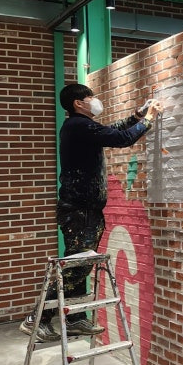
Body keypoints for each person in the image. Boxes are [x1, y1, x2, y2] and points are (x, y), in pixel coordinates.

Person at [20, 84, 162, 342]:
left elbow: (112, 131)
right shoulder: (77, 125)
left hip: (87, 210)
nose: (95, 101)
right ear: (78, 103)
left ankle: (75, 318)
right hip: (80, 211)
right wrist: (149, 118)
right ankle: (37, 319)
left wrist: (137, 116)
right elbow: (122, 139)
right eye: (90, 97)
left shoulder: (82, 127)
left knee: (81, 264)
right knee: (75, 265)